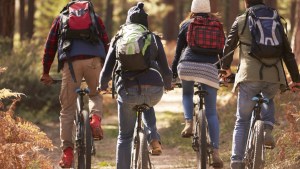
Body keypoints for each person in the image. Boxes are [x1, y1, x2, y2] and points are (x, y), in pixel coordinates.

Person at [220, 0, 300, 168]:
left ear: (246, 3)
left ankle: (236, 161)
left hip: (249, 75)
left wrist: (225, 69)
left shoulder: (241, 20)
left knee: (242, 120)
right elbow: (288, 53)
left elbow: (229, 46)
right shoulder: (276, 19)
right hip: (274, 76)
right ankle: (267, 129)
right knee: (268, 98)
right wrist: (296, 79)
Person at [98, 2, 173, 169]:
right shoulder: (152, 37)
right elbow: (165, 69)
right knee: (147, 102)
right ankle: (153, 136)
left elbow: (107, 69)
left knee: (125, 137)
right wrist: (168, 84)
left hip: (127, 91)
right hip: (154, 89)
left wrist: (102, 85)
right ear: (144, 22)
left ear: (128, 21)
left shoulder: (119, 38)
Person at [40, 0, 109, 168]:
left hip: (71, 64)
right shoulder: (96, 18)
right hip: (94, 61)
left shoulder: (60, 19)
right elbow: (106, 43)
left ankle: (68, 153)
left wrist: (46, 72)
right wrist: (106, 70)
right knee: (94, 94)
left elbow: (50, 46)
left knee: (67, 109)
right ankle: (95, 120)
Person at [171, 0, 225, 167]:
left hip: (187, 66)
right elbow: (221, 52)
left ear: (192, 10)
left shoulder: (187, 24)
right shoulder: (216, 25)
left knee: (187, 93)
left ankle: (189, 123)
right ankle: (215, 152)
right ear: (209, 11)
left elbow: (179, 50)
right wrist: (222, 71)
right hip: (210, 69)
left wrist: (173, 73)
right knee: (211, 112)